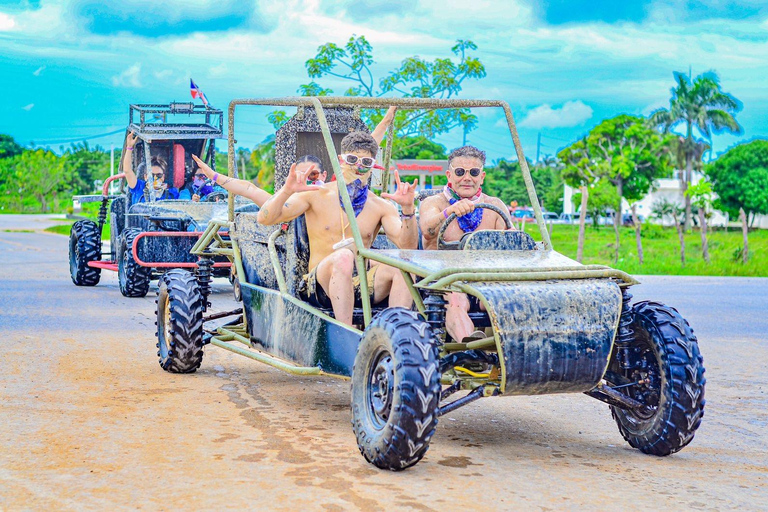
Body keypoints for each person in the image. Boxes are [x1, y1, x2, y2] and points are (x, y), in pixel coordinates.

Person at [256, 130, 418, 326]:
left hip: (361, 284)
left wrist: (408, 210)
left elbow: (407, 246)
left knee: (404, 266)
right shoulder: (316, 194)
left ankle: (396, 334)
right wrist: (286, 190)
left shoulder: (381, 206)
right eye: (352, 159)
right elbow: (265, 219)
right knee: (343, 256)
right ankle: (346, 332)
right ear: (341, 160)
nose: (358, 166)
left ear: (373, 166)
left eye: (365, 162)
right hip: (319, 284)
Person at [419, 145, 514, 342]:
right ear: (449, 175)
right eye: (460, 172)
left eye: (474, 172)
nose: (467, 178)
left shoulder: (495, 206)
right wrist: (449, 212)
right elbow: (427, 231)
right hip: (446, 280)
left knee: (506, 297)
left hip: (486, 280)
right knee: (456, 299)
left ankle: (514, 354)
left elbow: (512, 242)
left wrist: (515, 236)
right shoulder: (434, 203)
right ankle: (471, 349)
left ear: (482, 176)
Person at [122, 132, 180, 203]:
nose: (155, 178)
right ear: (145, 177)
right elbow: (127, 171)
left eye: (159, 175)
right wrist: (129, 147)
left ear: (163, 177)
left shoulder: (172, 193)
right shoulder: (139, 187)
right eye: (151, 175)